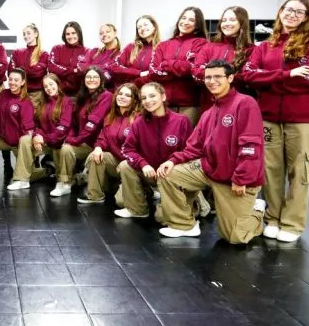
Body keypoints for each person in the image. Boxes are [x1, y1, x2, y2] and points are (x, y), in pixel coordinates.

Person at [241, 0, 309, 243]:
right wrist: (287, 75)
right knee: (270, 170)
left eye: (299, 12)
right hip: (268, 116)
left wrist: (269, 80)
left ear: (306, 17)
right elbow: (249, 76)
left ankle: (292, 223)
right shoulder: (265, 46)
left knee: (300, 170)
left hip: (302, 117)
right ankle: (273, 219)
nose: (293, 15)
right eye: (289, 10)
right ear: (280, 12)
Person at [155, 60, 265, 243]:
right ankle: (184, 224)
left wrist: (241, 178)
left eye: (217, 76)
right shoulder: (209, 113)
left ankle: (257, 211)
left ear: (230, 78)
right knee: (168, 174)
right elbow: (194, 146)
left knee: (235, 238)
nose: (212, 81)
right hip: (209, 169)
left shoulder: (245, 103)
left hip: (235, 178)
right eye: (208, 77)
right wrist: (173, 160)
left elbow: (250, 145)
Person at [115, 82, 193, 219]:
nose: (148, 101)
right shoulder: (139, 123)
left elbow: (190, 151)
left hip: (171, 174)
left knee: (161, 217)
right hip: (150, 173)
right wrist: (143, 164)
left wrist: (173, 162)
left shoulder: (181, 121)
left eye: (152, 96)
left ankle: (197, 202)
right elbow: (128, 149)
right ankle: (137, 210)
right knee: (124, 166)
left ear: (163, 97)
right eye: (144, 98)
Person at [78, 83, 140, 205]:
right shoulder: (110, 117)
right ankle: (95, 196)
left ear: (134, 99)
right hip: (116, 161)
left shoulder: (139, 118)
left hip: (132, 165)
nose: (122, 97)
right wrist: (98, 148)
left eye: (127, 95)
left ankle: (145, 188)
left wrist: (129, 162)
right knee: (95, 156)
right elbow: (102, 139)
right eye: (120, 94)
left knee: (121, 202)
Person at [10, 74, 73, 193]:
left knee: (63, 152)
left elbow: (63, 127)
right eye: (45, 86)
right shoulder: (43, 103)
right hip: (46, 142)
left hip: (59, 143)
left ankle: (63, 183)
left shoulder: (67, 102)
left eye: (51, 84)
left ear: (58, 84)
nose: (48, 88)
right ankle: (22, 179)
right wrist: (37, 135)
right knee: (25, 139)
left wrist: (44, 139)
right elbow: (37, 125)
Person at [148, 7, 209, 125]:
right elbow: (153, 72)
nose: (186, 22)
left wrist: (166, 64)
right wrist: (180, 72)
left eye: (191, 20)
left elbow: (191, 68)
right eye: (184, 18)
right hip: (163, 103)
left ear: (197, 25)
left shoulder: (201, 43)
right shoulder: (163, 45)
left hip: (190, 105)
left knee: (186, 141)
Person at [58, 66, 113, 193]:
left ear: (101, 80)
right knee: (66, 148)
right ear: (84, 80)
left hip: (100, 145)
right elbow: (74, 124)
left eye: (95, 77)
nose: (91, 79)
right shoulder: (82, 97)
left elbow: (92, 125)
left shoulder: (106, 96)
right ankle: (65, 183)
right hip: (86, 142)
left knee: (108, 189)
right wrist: (70, 138)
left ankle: (85, 177)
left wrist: (75, 140)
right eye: (88, 77)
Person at [191, 6, 255, 113]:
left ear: (242, 23)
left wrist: (212, 75)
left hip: (236, 107)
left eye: (232, 20)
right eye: (224, 20)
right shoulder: (209, 46)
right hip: (209, 106)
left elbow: (246, 77)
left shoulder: (251, 50)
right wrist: (223, 77)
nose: (227, 23)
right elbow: (196, 69)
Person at [111, 15, 160, 87]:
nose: (142, 28)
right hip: (131, 91)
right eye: (139, 27)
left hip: (150, 92)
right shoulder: (131, 47)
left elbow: (160, 72)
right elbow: (114, 66)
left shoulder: (162, 47)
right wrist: (138, 73)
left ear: (154, 27)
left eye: (145, 25)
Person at [9, 23, 49, 108]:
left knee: (34, 120)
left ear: (36, 34)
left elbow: (37, 74)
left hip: (37, 95)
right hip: (20, 93)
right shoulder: (17, 52)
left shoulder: (43, 54)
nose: (26, 36)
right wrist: (29, 69)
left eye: (28, 33)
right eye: (24, 34)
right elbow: (11, 72)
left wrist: (21, 69)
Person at [49, 21, 88, 97]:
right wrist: (73, 70)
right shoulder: (57, 48)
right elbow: (51, 67)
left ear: (79, 33)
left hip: (79, 94)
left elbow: (83, 70)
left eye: (73, 33)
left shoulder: (87, 51)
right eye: (67, 34)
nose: (70, 36)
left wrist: (62, 71)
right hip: (58, 92)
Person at [79, 23, 121, 90]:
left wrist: (90, 66)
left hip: (107, 93)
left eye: (108, 31)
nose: (104, 35)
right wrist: (102, 68)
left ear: (115, 33)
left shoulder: (120, 55)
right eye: (101, 33)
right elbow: (81, 65)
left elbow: (109, 76)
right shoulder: (94, 51)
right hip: (87, 91)